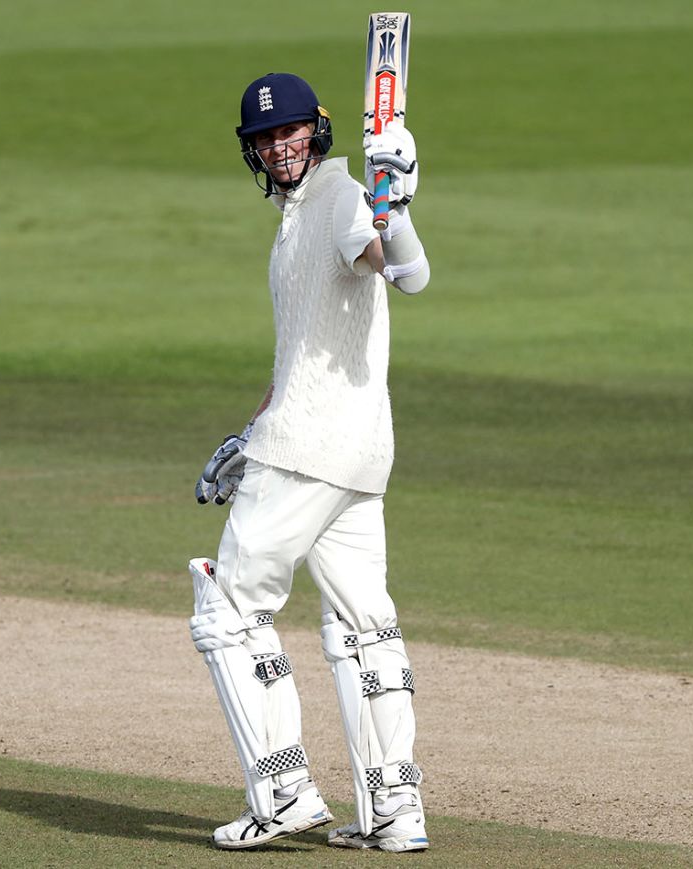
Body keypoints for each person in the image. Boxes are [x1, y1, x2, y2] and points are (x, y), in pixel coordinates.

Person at [188, 71, 431, 852]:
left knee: (227, 612)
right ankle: (394, 808)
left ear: (315, 131)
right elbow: (303, 352)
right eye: (263, 137)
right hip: (355, 453)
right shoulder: (300, 214)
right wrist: (250, 431)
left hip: (306, 455)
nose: (276, 146)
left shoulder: (340, 198)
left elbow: (407, 272)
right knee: (364, 626)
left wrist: (400, 207)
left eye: (288, 131)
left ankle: (284, 791)